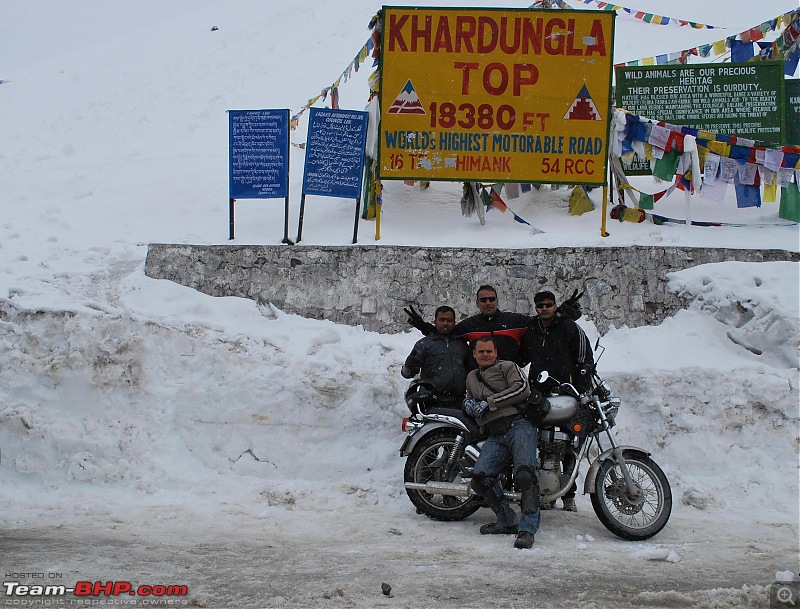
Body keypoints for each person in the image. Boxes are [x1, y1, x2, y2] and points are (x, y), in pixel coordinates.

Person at [462, 336, 539, 550]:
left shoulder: (508, 366)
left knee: (525, 475)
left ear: (496, 353)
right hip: (495, 434)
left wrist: (490, 403)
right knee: (480, 479)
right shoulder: (471, 377)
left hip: (518, 425)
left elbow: (522, 389)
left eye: (489, 351)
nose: (485, 355)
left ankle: (527, 529)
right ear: (474, 354)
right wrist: (468, 403)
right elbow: (468, 396)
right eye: (481, 352)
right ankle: (507, 520)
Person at [522, 290, 595, 512]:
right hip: (539, 394)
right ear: (535, 308)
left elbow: (585, 359)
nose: (544, 308)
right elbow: (522, 354)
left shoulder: (569, 327)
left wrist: (580, 389)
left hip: (567, 392)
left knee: (569, 444)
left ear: (555, 305)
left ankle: (568, 494)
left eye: (548, 304)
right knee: (543, 442)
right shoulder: (531, 329)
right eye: (540, 305)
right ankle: (547, 492)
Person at [401, 306, 470, 408]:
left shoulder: (462, 344)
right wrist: (409, 366)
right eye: (442, 320)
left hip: (459, 401)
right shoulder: (423, 344)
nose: (445, 323)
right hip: (432, 402)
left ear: (454, 322)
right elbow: (407, 374)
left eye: (449, 320)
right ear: (435, 321)